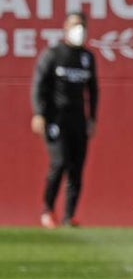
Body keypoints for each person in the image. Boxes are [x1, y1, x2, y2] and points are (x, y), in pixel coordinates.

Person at [32, 12, 98, 228]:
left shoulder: (87, 57)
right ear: (65, 28)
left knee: (76, 168)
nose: (79, 30)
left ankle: (69, 215)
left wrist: (92, 118)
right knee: (59, 162)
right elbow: (39, 86)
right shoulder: (53, 54)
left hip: (78, 120)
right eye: (75, 25)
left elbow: (93, 90)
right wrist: (39, 113)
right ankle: (47, 210)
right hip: (56, 119)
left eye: (82, 26)